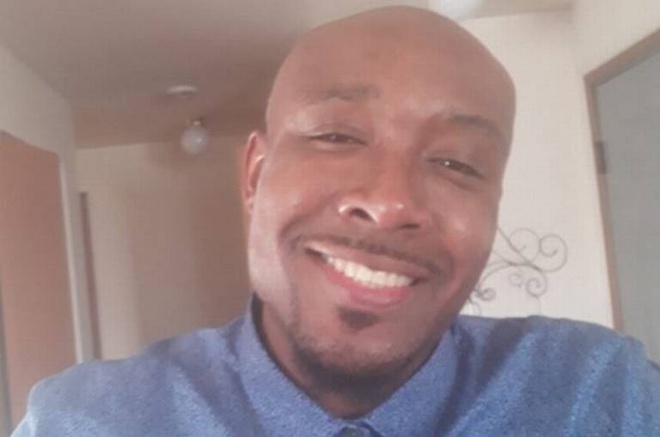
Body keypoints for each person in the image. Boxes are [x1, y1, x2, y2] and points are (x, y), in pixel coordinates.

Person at [13, 6, 659, 436]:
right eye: (337, 136)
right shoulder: (83, 423)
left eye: (457, 163)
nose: (391, 201)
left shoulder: (602, 395)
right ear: (254, 176)